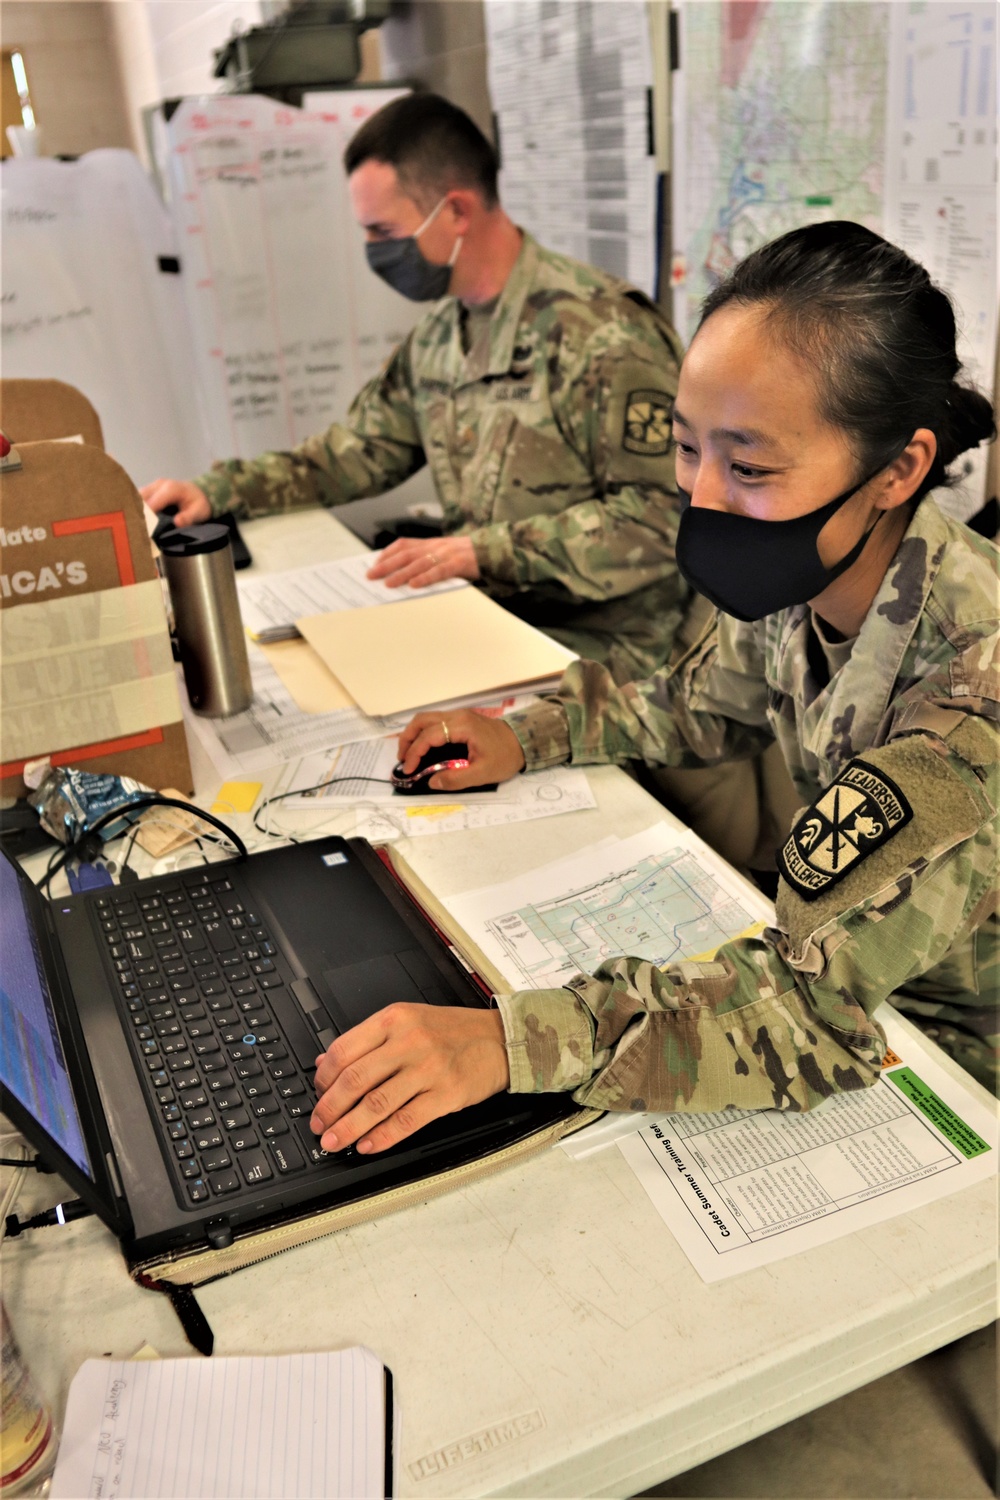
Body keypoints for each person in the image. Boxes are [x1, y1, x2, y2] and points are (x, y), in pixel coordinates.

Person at [306, 221, 997, 1157]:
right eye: (685, 449)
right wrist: (532, 736)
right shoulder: (809, 569)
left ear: (899, 469)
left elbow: (810, 1013)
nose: (703, 497)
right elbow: (698, 701)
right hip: (873, 982)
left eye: (749, 466)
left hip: (960, 1050)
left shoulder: (972, 688)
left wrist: (514, 1043)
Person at [141, 93, 691, 685]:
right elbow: (356, 452)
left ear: (456, 211)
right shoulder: (439, 337)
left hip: (606, 657)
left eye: (384, 231)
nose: (377, 252)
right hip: (492, 621)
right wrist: (219, 490)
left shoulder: (604, 335)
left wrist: (485, 552)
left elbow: (666, 519)